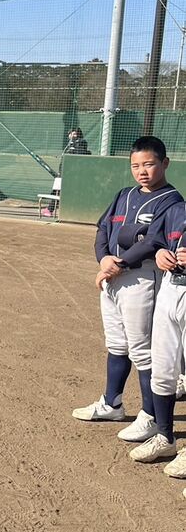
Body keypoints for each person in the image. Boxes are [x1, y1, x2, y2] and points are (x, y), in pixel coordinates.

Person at [72, 136, 182, 441]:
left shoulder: (171, 201)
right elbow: (103, 229)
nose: (142, 171)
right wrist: (103, 259)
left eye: (149, 164)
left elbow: (154, 241)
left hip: (142, 278)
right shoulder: (124, 194)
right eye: (135, 165)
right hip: (112, 277)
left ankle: (150, 416)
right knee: (116, 344)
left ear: (164, 163)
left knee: (143, 351)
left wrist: (117, 263)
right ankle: (112, 403)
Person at [134, 200, 186, 471]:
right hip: (170, 290)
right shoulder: (176, 210)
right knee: (163, 370)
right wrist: (160, 254)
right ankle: (165, 437)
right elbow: (156, 242)